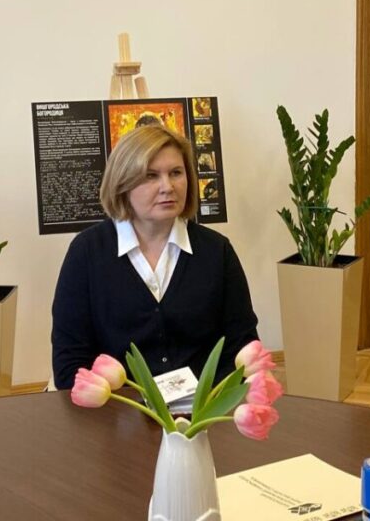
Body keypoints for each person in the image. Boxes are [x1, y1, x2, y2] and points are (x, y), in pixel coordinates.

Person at [51, 124, 259, 389]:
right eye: (151, 175)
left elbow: (242, 348)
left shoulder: (217, 250)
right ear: (122, 183)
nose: (167, 187)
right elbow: (70, 364)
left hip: (204, 408)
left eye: (176, 173)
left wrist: (207, 403)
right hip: (116, 409)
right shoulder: (87, 252)